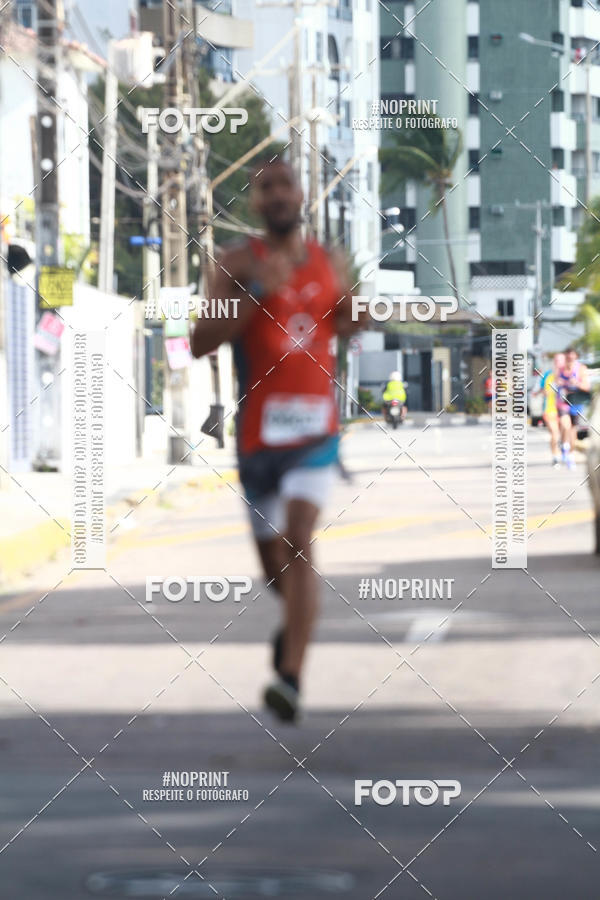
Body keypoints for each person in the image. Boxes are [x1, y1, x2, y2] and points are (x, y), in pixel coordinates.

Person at [190, 155, 360, 723]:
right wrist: (259, 290)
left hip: (315, 430)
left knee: (300, 540)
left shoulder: (330, 261)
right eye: (267, 187)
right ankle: (297, 624)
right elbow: (200, 339)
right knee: (273, 569)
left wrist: (358, 311)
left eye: (286, 184)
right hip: (259, 437)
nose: (279, 195)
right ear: (256, 201)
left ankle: (290, 677)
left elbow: (349, 319)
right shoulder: (235, 264)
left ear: (301, 193)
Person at [555, 347, 591, 470]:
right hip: (563, 401)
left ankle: (570, 455)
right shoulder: (560, 368)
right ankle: (564, 446)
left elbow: (587, 386)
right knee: (565, 425)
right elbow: (555, 381)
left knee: (573, 429)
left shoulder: (581, 369)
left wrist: (577, 383)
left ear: (576, 356)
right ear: (565, 356)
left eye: (572, 356)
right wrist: (559, 382)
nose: (570, 358)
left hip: (576, 401)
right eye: (568, 356)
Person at [538, 353, 564, 468]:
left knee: (564, 433)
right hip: (550, 409)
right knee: (554, 433)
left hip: (564, 409)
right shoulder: (548, 375)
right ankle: (555, 457)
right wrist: (551, 388)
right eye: (557, 361)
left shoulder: (566, 374)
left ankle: (564, 451)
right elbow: (543, 391)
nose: (559, 363)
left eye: (561, 361)